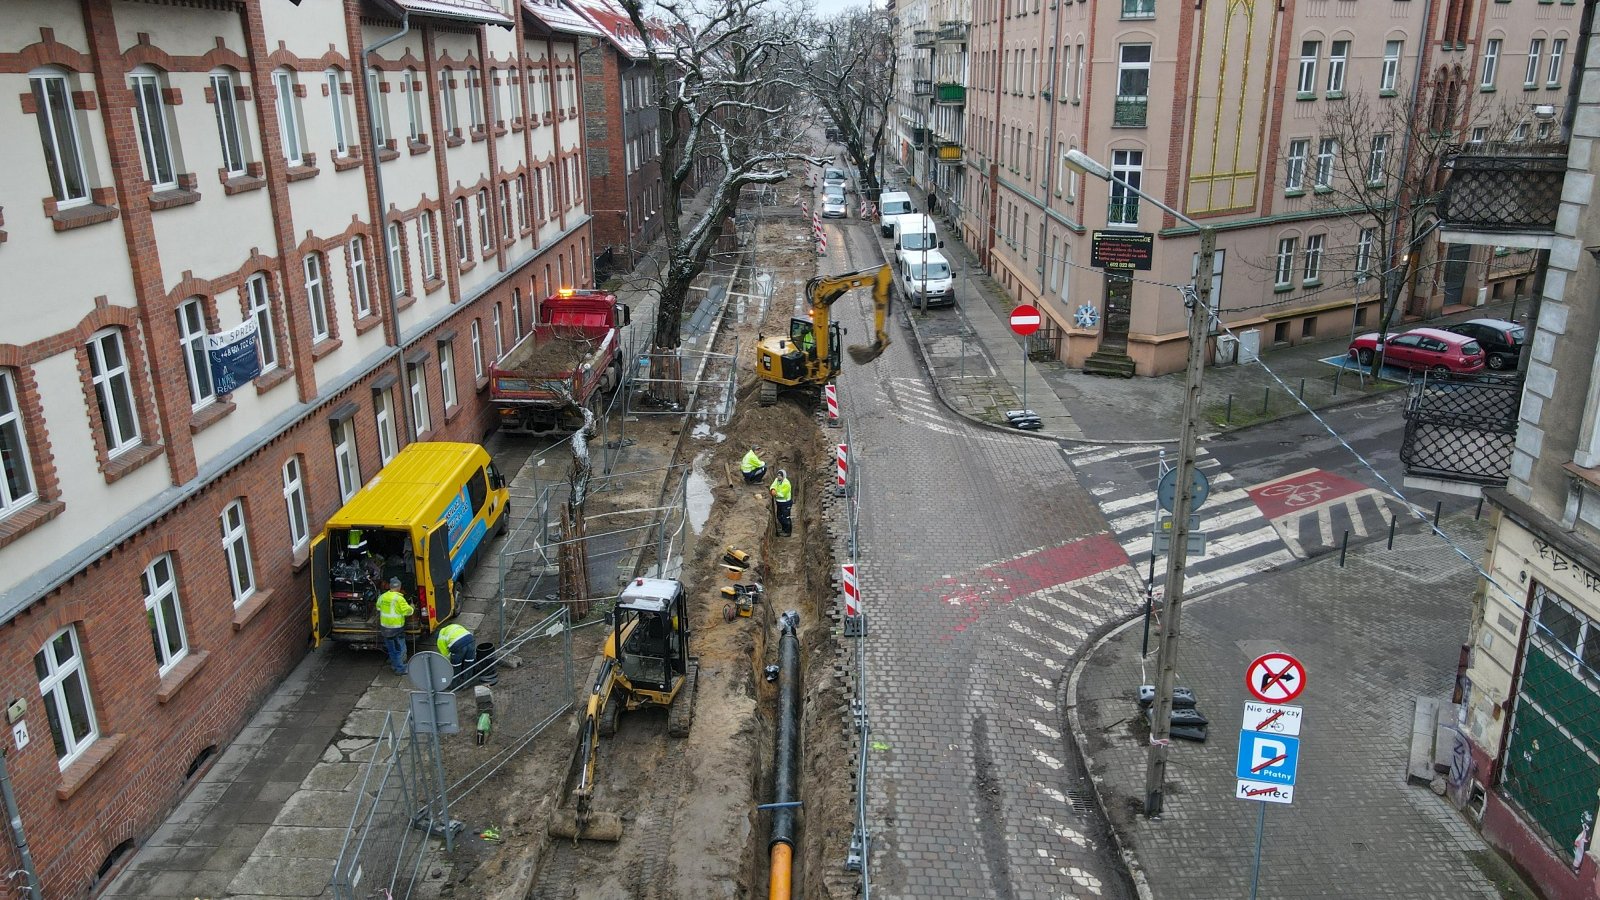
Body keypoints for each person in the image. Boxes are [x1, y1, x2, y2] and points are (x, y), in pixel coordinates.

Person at [375, 577, 413, 675]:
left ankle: (395, 664)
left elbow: (378, 607)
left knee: (391, 649)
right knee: (398, 649)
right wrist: (412, 608)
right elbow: (407, 611)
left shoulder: (382, 596)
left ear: (390, 587)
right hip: (396, 628)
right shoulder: (399, 599)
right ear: (399, 587)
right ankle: (400, 668)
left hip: (384, 628)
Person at [437, 622, 477, 689]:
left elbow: (446, 656)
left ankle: (455, 685)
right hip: (470, 639)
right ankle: (467, 683)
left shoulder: (440, 639)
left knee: (456, 666)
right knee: (469, 662)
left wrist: (452, 661)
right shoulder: (453, 626)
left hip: (457, 644)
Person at [770, 469, 793, 536]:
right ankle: (783, 529)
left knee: (786, 517)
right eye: (778, 475)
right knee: (779, 517)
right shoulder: (777, 480)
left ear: (783, 476)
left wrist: (775, 494)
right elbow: (773, 485)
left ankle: (787, 532)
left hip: (786, 503)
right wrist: (772, 489)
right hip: (779, 502)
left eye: (780, 476)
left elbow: (783, 494)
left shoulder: (786, 484)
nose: (779, 477)